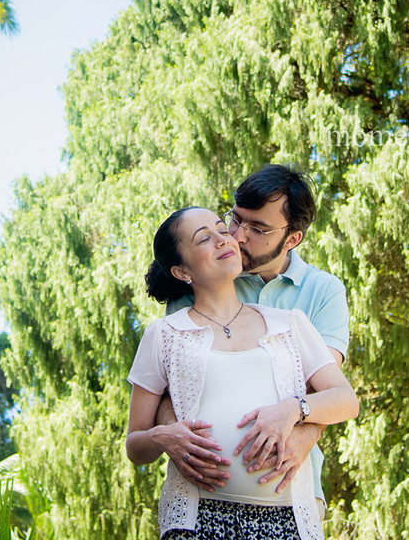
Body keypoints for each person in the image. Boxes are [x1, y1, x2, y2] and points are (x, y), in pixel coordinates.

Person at [126, 208, 358, 540]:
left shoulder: (289, 324)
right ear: (181, 271)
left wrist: (295, 408)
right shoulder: (163, 334)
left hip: (288, 521)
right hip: (195, 521)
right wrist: (163, 438)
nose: (225, 240)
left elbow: (346, 401)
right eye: (205, 238)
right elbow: (135, 445)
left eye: (223, 230)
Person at [159, 165, 349, 509]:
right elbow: (166, 386)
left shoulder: (324, 291)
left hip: (290, 491)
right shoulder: (201, 278)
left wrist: (305, 434)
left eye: (258, 228)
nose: (238, 236)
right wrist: (176, 439)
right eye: (236, 219)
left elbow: (322, 387)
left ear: (292, 239)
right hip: (198, 497)